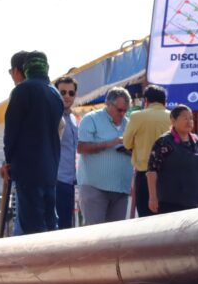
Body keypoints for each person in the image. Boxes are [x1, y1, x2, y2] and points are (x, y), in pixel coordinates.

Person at [1, 50, 63, 234]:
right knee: (50, 222)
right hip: (50, 169)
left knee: (32, 227)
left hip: (28, 169)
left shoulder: (22, 90)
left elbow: (11, 131)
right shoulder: (55, 94)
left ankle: (36, 262)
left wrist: (9, 160)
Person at [76, 87, 133, 225]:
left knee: (115, 239)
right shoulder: (91, 119)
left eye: (125, 110)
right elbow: (81, 147)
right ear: (108, 104)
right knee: (94, 236)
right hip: (95, 187)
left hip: (121, 189)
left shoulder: (129, 123)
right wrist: (111, 143)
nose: (122, 113)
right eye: (119, 110)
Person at [146, 105, 198, 213]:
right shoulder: (164, 142)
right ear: (173, 121)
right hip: (170, 204)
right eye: (185, 118)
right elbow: (152, 170)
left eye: (191, 118)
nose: (189, 121)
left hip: (195, 203)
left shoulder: (196, 141)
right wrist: (153, 198)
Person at [123, 85, 171, 218]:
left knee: (146, 218)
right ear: (164, 101)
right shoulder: (172, 117)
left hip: (144, 173)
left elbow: (126, 143)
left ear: (146, 100)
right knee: (167, 217)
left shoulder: (137, 116)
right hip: (170, 175)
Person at [54, 75, 79, 229]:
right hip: (58, 180)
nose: (67, 96)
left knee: (69, 227)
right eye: (62, 92)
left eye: (71, 93)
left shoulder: (74, 119)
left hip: (73, 182)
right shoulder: (52, 116)